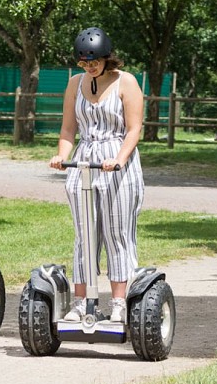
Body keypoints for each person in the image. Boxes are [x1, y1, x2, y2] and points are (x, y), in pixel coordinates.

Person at [49, 27, 145, 323]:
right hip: (84, 160)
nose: (89, 67)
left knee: (117, 233)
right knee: (84, 235)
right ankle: (82, 302)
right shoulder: (75, 84)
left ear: (107, 58)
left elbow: (134, 129)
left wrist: (119, 159)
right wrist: (62, 156)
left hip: (118, 161)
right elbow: (68, 129)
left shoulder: (125, 82)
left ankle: (118, 303)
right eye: (84, 63)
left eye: (94, 62)